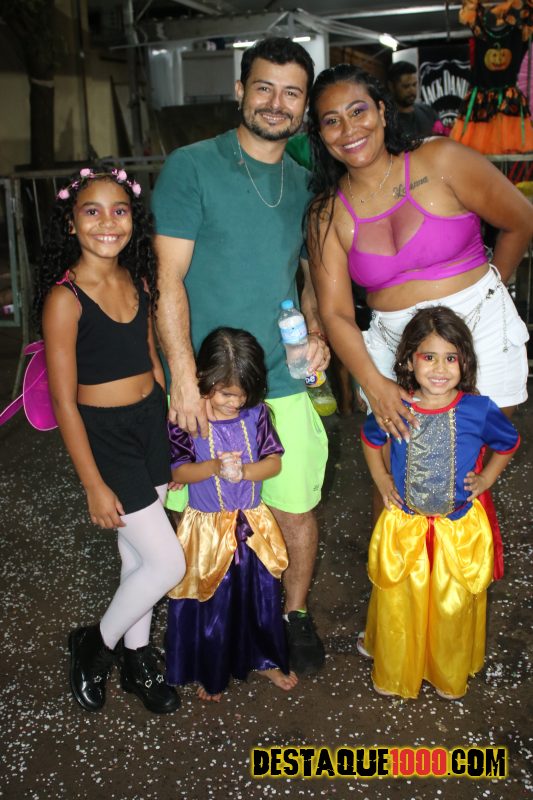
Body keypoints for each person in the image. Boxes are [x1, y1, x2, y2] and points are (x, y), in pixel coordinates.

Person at [153, 37, 330, 676]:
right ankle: (201, 626)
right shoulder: (192, 166)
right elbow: (168, 279)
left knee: (295, 507)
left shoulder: (307, 181)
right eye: (264, 88)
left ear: (304, 106)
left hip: (281, 378)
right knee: (197, 513)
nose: (276, 103)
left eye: (291, 93)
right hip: (206, 384)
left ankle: (294, 615)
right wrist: (182, 379)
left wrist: (316, 328)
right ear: (240, 91)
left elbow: (309, 276)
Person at [306, 63, 532, 449]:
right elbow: (336, 313)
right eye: (332, 120)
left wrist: (489, 290)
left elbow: (521, 220)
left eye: (358, 111)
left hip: (481, 334)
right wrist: (374, 384)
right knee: (405, 473)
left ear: (382, 110)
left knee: (470, 465)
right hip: (395, 350)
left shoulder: (441, 159)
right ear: (320, 134)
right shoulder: (325, 213)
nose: (349, 129)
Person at [35, 167, 186, 714]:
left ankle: (138, 659)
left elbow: (151, 356)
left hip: (149, 424)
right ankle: (95, 646)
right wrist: (93, 484)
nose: (107, 222)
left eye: (119, 210)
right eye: (92, 211)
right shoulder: (65, 299)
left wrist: (168, 422)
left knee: (136, 557)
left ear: (133, 219)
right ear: (71, 224)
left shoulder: (137, 280)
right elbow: (64, 403)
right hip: (105, 437)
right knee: (168, 564)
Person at [359, 306, 519, 699]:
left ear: (465, 362)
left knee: (451, 603)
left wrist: (487, 478)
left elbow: (508, 443)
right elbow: (370, 439)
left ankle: (447, 668)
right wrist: (381, 479)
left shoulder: (478, 410)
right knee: (400, 601)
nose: (440, 369)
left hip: (456, 531)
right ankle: (396, 663)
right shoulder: (395, 405)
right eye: (428, 356)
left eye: (451, 358)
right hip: (405, 529)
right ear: (408, 360)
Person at [165, 327, 298, 701]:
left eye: (243, 394)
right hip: (207, 530)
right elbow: (178, 472)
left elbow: (273, 462)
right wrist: (212, 467)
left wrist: (247, 472)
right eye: (227, 394)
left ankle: (264, 659)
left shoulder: (256, 415)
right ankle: (212, 670)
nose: (236, 402)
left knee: (261, 597)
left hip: (253, 525)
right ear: (204, 379)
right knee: (214, 603)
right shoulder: (187, 417)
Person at [387, 60, 440, 139]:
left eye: (414, 85)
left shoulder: (428, 112)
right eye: (406, 86)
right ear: (391, 86)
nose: (412, 90)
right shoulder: (387, 120)